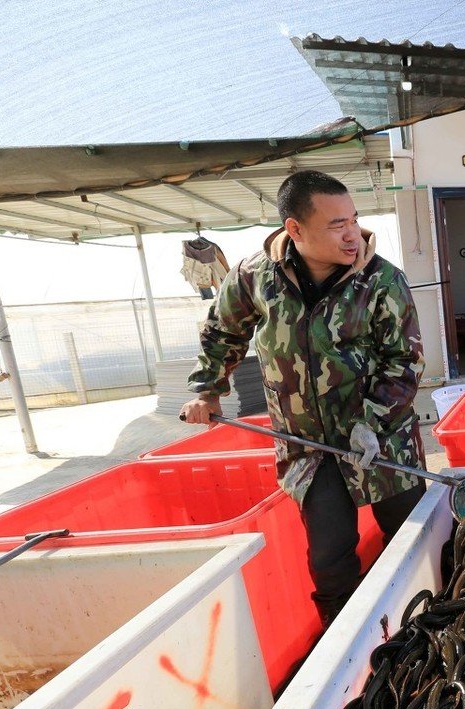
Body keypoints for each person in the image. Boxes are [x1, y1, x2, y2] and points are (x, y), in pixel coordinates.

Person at [181, 170, 425, 627]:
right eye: (336, 224)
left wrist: (371, 421)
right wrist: (208, 388)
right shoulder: (256, 277)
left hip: (385, 442)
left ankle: (427, 625)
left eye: (353, 219)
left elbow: (405, 361)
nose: (352, 233)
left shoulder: (381, 280)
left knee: (413, 540)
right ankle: (348, 649)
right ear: (295, 229)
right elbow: (223, 330)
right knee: (330, 562)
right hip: (309, 448)